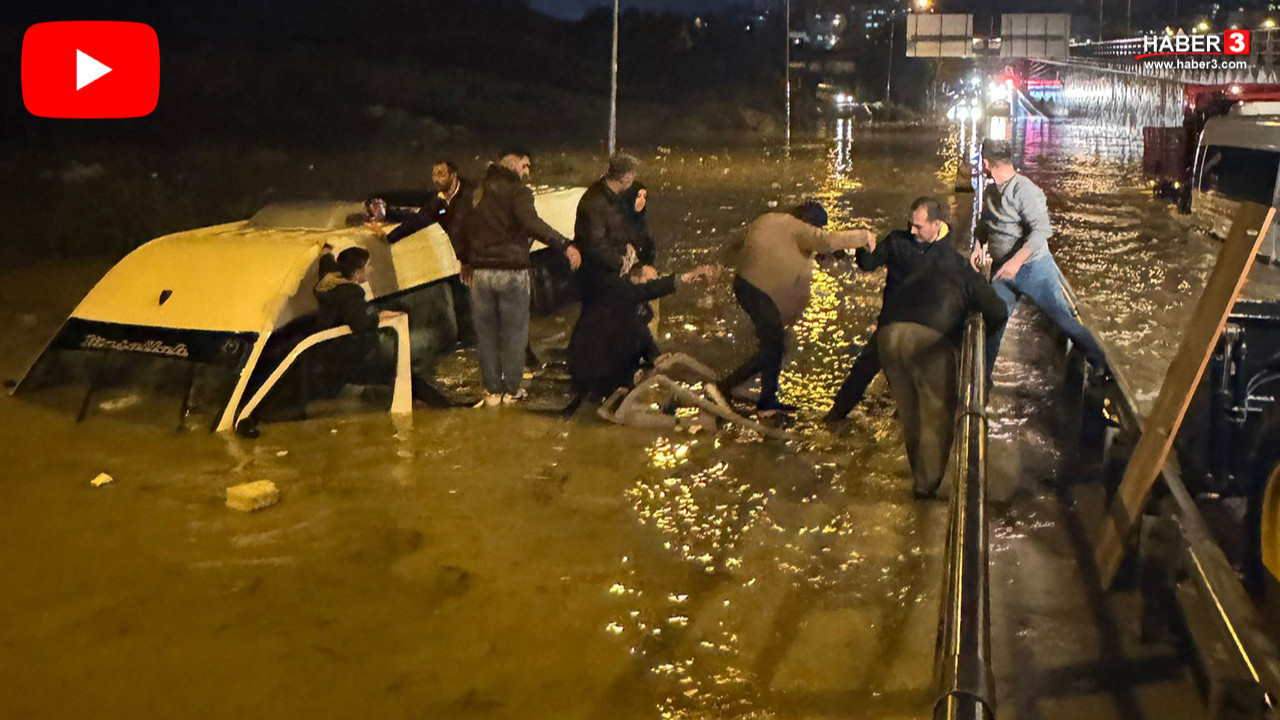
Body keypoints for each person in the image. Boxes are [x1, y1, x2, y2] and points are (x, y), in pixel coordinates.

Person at [718, 201, 876, 415]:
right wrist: (863, 236)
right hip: (758, 292)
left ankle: (767, 398)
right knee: (774, 347)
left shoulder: (774, 221)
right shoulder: (797, 228)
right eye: (817, 227)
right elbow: (825, 241)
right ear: (810, 223)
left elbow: (745, 245)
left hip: (748, 286)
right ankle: (726, 386)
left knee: (774, 345)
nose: (816, 232)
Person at [454, 147, 582, 407]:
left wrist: (465, 260)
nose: (527, 172)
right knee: (515, 333)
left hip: (481, 274)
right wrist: (564, 244)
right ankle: (511, 390)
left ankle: (491, 391)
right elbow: (531, 223)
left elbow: (459, 228)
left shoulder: (476, 191)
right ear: (512, 163)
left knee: (487, 333)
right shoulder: (518, 192)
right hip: (512, 271)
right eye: (525, 165)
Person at [971, 139, 1109, 380]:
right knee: (993, 320)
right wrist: (977, 245)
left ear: (986, 162)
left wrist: (1016, 262)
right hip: (1004, 273)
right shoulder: (992, 191)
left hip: (1034, 270)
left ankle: (1101, 362)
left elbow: (1042, 231)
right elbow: (985, 224)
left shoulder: (1025, 191)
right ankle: (983, 383)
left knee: (1063, 319)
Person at [825, 196, 968, 422]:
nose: (912, 230)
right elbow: (868, 264)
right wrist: (866, 248)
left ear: (936, 224)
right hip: (892, 325)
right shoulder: (896, 241)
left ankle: (903, 419)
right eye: (910, 224)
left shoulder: (949, 257)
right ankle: (835, 417)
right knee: (863, 371)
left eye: (918, 226)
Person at [877, 262, 1007, 498]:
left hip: (888, 336)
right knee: (935, 416)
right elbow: (998, 311)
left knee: (909, 412)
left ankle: (918, 473)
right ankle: (925, 488)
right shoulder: (970, 278)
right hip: (927, 340)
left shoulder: (926, 268)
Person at [568, 260, 717, 401]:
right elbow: (648, 293)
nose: (653, 284)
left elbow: (642, 333)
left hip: (606, 365)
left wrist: (655, 356)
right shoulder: (618, 293)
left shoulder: (637, 308)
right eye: (650, 280)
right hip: (594, 371)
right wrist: (685, 277)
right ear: (635, 279)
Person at [574, 154, 652, 276]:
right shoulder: (596, 201)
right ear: (626, 177)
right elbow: (595, 245)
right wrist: (621, 262)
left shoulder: (617, 196)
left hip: (615, 262)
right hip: (598, 270)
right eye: (632, 175)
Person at [382, 160, 475, 249]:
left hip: (474, 259)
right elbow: (417, 220)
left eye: (441, 174)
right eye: (434, 175)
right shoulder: (438, 200)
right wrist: (389, 238)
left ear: (453, 175)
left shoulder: (470, 197)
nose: (436, 180)